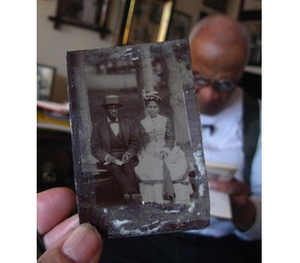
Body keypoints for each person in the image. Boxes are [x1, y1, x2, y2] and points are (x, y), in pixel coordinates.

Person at [38, 15, 261, 262]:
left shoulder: (259, 120)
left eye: (225, 84)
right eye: (199, 79)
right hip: (146, 234)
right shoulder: (164, 98)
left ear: (241, 74)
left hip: (216, 245)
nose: (209, 95)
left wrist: (245, 210)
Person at [134, 90, 193, 204]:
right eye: (150, 107)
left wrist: (165, 150)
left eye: (154, 107)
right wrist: (150, 150)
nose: (152, 109)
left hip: (167, 147)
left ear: (158, 108)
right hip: (150, 149)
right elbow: (144, 140)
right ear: (146, 108)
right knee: (153, 165)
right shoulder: (143, 123)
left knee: (172, 164)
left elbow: (170, 138)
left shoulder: (166, 120)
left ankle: (177, 195)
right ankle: (157, 197)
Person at [90, 95, 141, 202]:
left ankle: (127, 194)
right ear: (106, 110)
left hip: (125, 156)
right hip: (109, 158)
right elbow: (95, 148)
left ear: (118, 109)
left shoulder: (127, 123)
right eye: (110, 108)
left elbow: (135, 143)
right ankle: (133, 193)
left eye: (115, 108)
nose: (113, 111)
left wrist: (128, 154)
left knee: (128, 168)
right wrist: (108, 157)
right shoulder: (98, 126)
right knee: (115, 168)